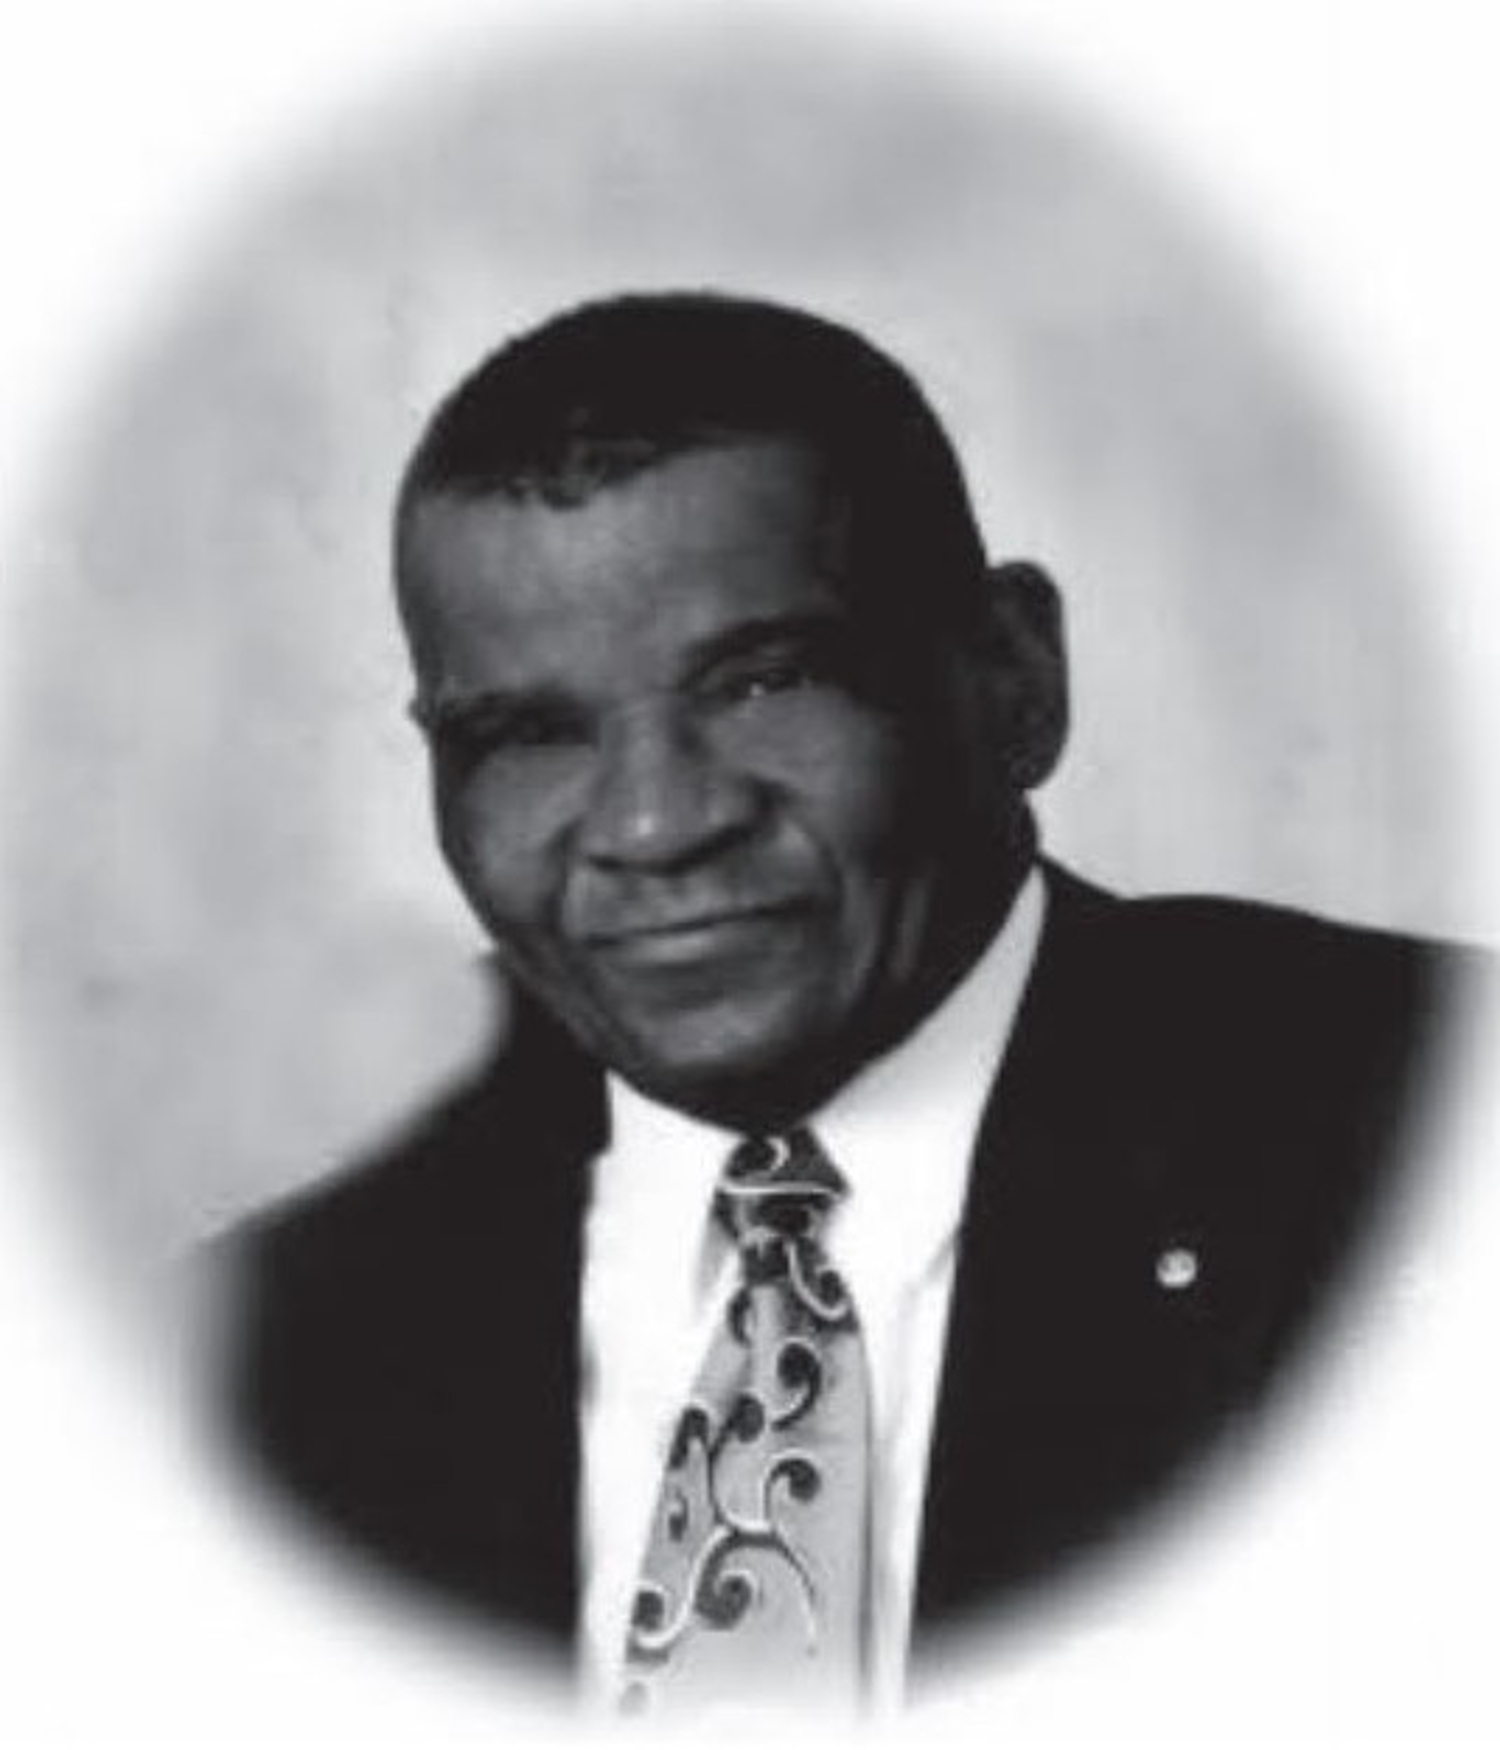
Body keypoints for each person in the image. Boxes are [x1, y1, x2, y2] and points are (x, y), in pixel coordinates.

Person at [223, 291, 1457, 1714]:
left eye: (762, 682)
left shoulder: (1427, 1139)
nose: (654, 823)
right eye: (528, 734)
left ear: (1013, 679)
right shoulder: (274, 1347)